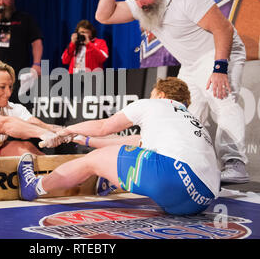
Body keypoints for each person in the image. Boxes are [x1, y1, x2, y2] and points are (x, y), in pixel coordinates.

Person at [94, 0, 248, 184]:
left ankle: (235, 164)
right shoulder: (140, 5)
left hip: (219, 52)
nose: (140, 4)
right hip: (191, 62)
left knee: (222, 99)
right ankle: (193, 164)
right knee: (183, 115)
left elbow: (222, 28)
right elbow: (103, 16)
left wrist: (220, 68)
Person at [17, 77, 220, 215]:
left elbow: (104, 126)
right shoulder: (188, 120)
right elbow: (130, 142)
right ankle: (111, 177)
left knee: (92, 160)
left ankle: (34, 187)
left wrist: (66, 131)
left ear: (160, 95)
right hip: (201, 201)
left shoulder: (153, 104)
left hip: (174, 180)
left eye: (152, 93)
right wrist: (81, 139)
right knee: (131, 153)